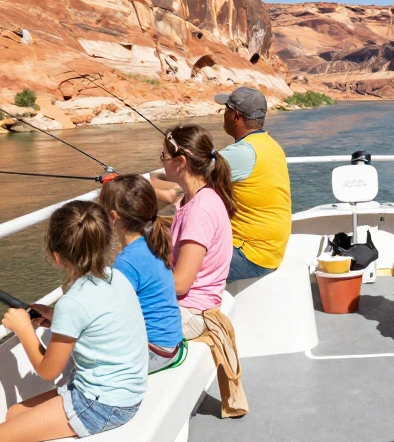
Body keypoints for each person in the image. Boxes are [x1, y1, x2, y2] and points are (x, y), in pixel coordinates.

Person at [0, 201, 146, 442]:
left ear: (57, 257)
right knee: (14, 414)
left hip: (103, 405)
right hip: (126, 394)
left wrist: (24, 329)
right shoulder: (117, 277)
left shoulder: (73, 303)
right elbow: (97, 322)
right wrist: (56, 318)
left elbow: (48, 370)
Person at [97, 175, 185, 373]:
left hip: (155, 351)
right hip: (170, 344)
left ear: (113, 217)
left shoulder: (126, 262)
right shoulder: (151, 242)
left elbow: (111, 317)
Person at [160, 124, 234, 338]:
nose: (162, 162)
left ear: (180, 162)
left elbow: (181, 283)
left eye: (164, 157)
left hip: (192, 313)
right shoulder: (198, 197)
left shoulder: (199, 210)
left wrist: (141, 278)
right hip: (194, 305)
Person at [214, 86, 292, 282]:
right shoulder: (270, 145)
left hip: (249, 254)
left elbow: (186, 174)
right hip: (270, 251)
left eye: (226, 109)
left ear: (236, 116)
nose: (223, 114)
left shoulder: (242, 153)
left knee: (170, 263)